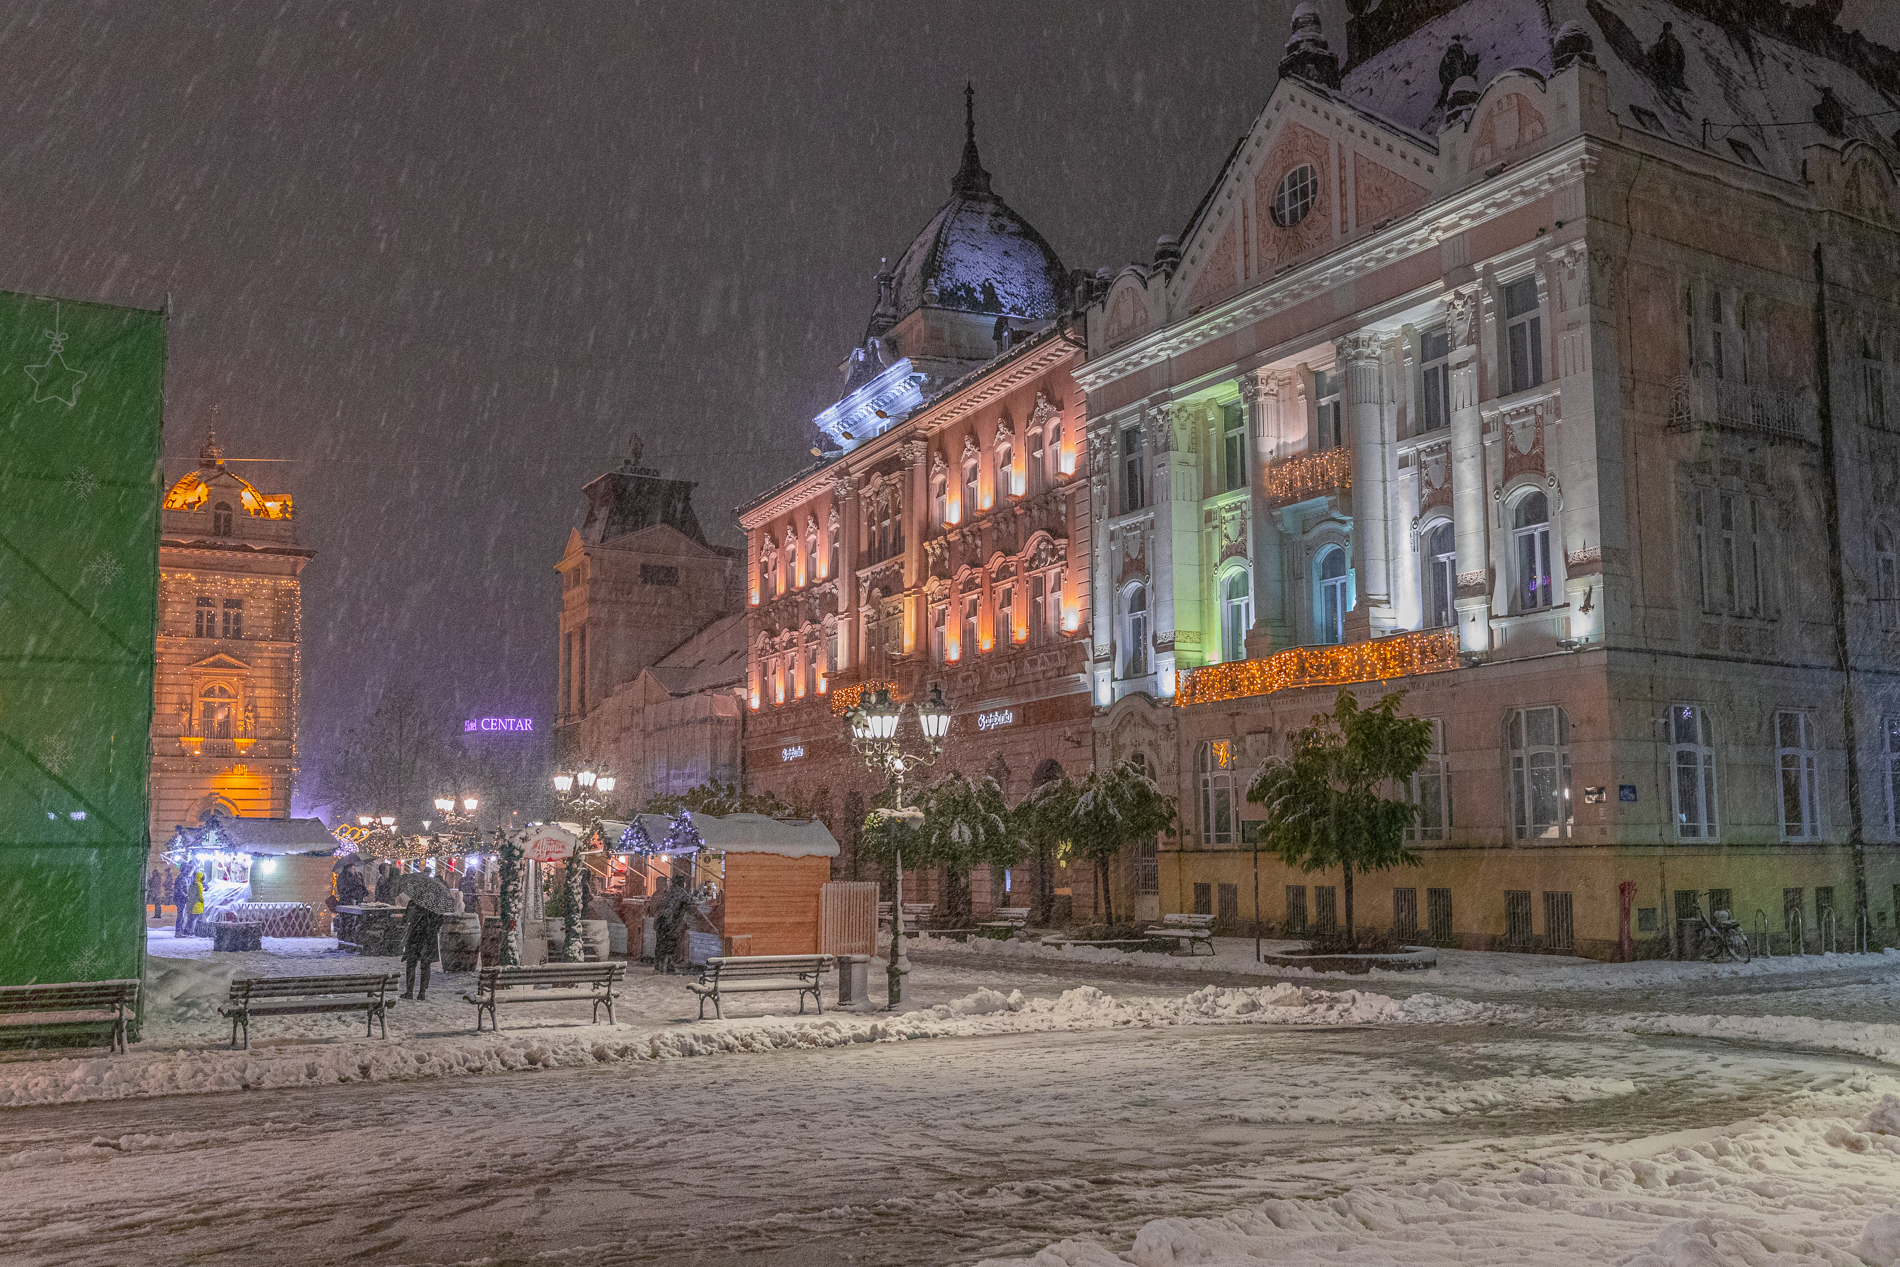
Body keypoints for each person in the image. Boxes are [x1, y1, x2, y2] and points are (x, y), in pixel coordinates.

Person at [400, 896, 445, 1001]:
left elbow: (406, 918)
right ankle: (422, 992)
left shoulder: (413, 902)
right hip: (428, 937)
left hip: (415, 936)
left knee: (411, 963)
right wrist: (432, 927)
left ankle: (410, 991)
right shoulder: (435, 904)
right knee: (425, 964)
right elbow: (440, 920)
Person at [172, 868, 193, 936]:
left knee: (181, 915)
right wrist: (187, 895)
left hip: (181, 898)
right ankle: (178, 931)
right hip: (180, 899)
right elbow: (181, 890)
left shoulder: (183, 878)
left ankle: (179, 930)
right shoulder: (182, 878)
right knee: (180, 915)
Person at [186, 870, 206, 937]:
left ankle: (188, 930)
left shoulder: (192, 884)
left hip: (191, 903)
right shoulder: (199, 885)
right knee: (195, 918)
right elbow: (200, 895)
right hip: (197, 904)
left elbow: (189, 893)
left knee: (190, 918)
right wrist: (203, 901)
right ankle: (192, 931)